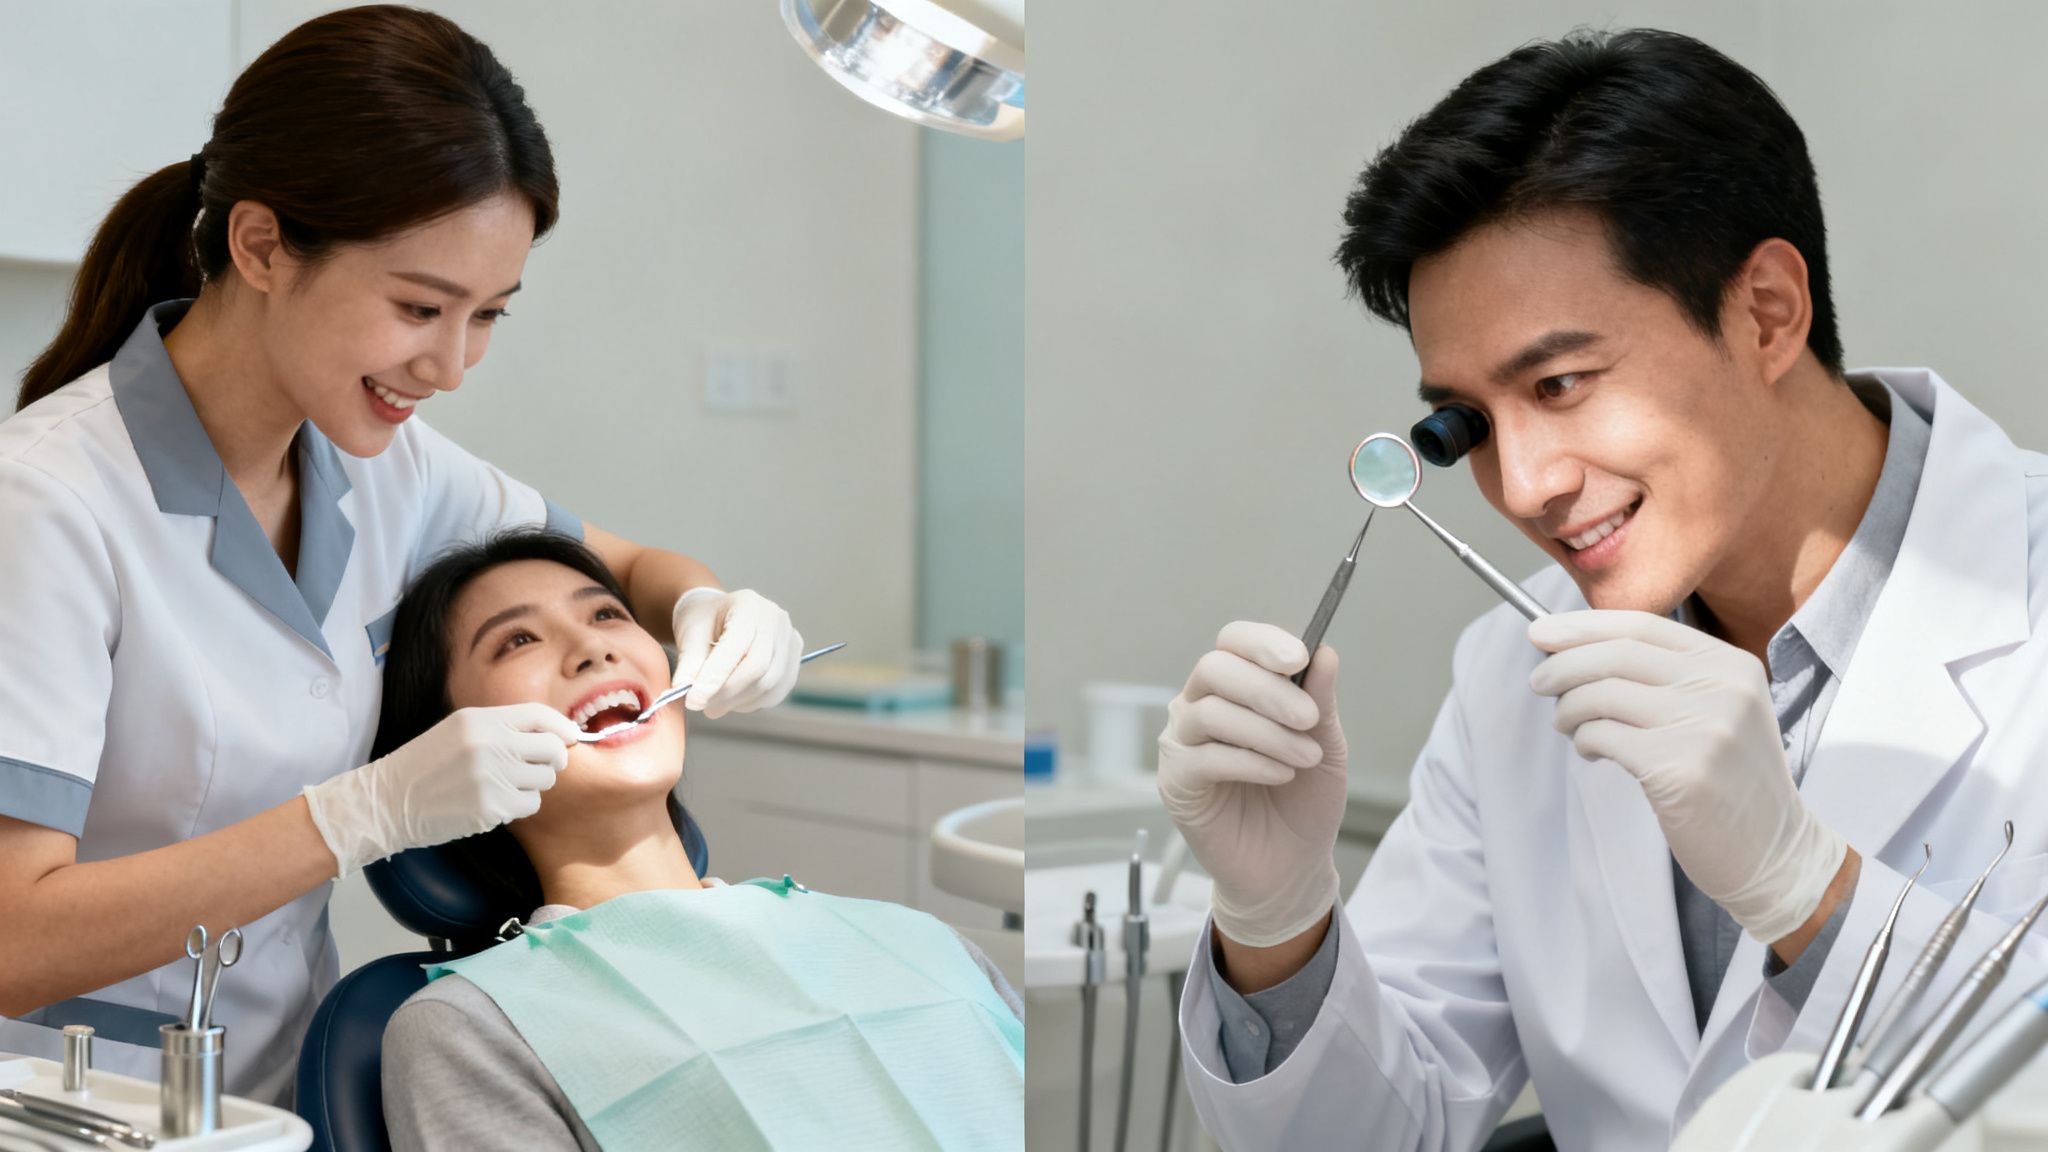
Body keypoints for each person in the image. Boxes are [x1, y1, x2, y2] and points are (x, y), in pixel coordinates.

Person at [1156, 28, 2048, 1151]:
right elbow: (1384, 1132)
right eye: (1467, 424)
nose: (1524, 484)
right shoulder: (1506, 671)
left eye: (1562, 382)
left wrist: (1805, 892)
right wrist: (1275, 923)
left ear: (1766, 311)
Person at [0, 6, 805, 1105]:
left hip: (275, 1100)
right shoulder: (48, 503)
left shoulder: (386, 468)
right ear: (261, 245)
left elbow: (631, 569)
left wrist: (707, 601)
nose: (453, 364)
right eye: (421, 307)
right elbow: (10, 942)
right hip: (57, 1104)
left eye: (489, 316)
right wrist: (355, 818)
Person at [370, 530, 1023, 1152]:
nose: (593, 649)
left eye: (606, 615)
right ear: (446, 750)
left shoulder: (923, 944)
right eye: (516, 640)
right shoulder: (472, 1029)